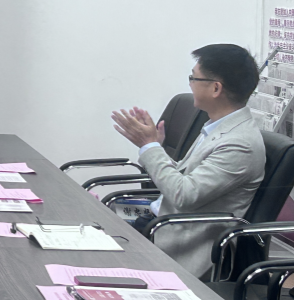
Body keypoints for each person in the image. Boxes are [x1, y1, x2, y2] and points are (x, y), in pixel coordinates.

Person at [111, 44, 266, 279]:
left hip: (177, 244)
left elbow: (183, 195)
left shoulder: (240, 144)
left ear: (215, 88)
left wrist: (150, 147)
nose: (190, 84)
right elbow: (187, 181)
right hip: (156, 224)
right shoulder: (217, 127)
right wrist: (155, 148)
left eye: (194, 78)